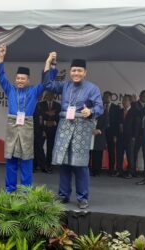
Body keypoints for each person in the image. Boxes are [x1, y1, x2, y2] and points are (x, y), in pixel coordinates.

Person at [43, 55, 103, 209]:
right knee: (64, 163)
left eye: (79, 71)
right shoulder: (65, 85)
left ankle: (82, 197)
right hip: (64, 126)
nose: (76, 73)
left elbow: (100, 108)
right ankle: (63, 195)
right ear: (70, 72)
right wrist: (49, 64)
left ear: (85, 72)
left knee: (80, 165)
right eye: (74, 70)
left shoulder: (92, 88)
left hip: (81, 127)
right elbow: (48, 84)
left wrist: (90, 111)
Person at [0, 44, 58, 192]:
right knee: (10, 159)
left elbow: (47, 82)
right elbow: (1, 75)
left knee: (26, 160)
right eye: (17, 78)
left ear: (28, 80)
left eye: (23, 79)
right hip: (12, 125)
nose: (19, 81)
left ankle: (26, 191)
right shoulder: (9, 89)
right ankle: (9, 190)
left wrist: (50, 63)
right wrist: (1, 57)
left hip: (27, 126)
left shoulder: (34, 91)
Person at [116, 95, 139, 178]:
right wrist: (116, 135)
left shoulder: (134, 111)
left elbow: (136, 125)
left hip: (130, 137)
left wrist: (134, 136)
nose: (123, 102)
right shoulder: (120, 111)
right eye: (123, 100)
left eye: (125, 100)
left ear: (130, 102)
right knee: (119, 154)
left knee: (130, 155)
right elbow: (116, 124)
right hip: (120, 136)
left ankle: (130, 172)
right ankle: (119, 171)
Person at [41, 91, 61, 172]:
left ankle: (48, 165)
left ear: (53, 96)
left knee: (50, 148)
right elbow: (39, 115)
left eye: (51, 95)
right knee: (39, 147)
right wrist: (45, 122)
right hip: (42, 128)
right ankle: (40, 164)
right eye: (48, 95)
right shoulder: (40, 104)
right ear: (45, 96)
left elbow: (60, 116)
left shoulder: (58, 105)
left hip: (53, 129)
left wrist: (54, 122)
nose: (49, 96)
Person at [103, 91, 120, 176]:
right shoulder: (100, 107)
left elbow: (117, 123)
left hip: (111, 133)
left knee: (111, 151)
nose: (105, 98)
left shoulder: (116, 108)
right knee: (98, 151)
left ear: (111, 97)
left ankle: (111, 169)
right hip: (101, 132)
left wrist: (115, 135)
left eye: (107, 96)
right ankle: (97, 168)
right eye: (104, 96)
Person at [132, 90, 145, 173]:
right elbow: (137, 117)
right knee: (134, 153)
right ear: (140, 95)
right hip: (137, 134)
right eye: (144, 95)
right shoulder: (134, 105)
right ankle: (132, 170)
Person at [90, 112, 108, 176]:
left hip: (99, 137)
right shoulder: (90, 114)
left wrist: (99, 130)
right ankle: (87, 170)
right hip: (89, 136)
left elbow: (106, 125)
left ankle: (97, 171)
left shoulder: (104, 115)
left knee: (98, 155)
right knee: (88, 155)